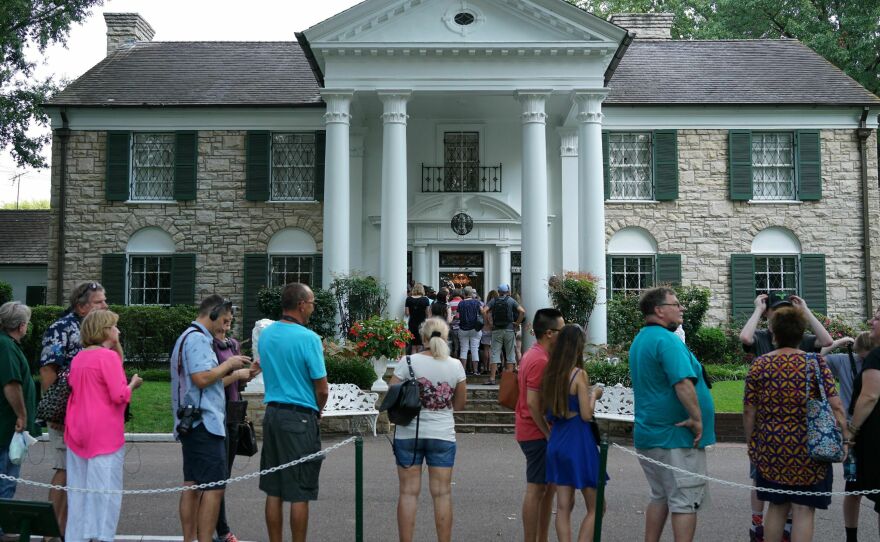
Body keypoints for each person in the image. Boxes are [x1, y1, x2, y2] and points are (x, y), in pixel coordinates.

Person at [743, 305, 848, 542]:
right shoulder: (815, 363)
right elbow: (836, 405)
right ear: (802, 334)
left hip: (772, 447)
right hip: (808, 448)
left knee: (777, 505)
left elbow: (749, 410)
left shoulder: (760, 365)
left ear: (774, 334)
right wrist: (846, 437)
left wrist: (752, 443)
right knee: (803, 508)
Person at [629, 287, 716, 542]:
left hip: (651, 433)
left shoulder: (642, 339)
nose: (681, 308)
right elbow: (682, 383)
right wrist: (697, 420)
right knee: (685, 501)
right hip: (675, 436)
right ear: (659, 310)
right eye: (675, 304)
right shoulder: (667, 341)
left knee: (661, 496)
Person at [171, 296, 252, 542]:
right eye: (225, 321)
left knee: (193, 485)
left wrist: (234, 371)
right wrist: (230, 365)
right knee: (214, 488)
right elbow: (202, 378)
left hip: (194, 422)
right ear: (213, 313)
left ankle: (190, 540)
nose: (226, 327)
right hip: (204, 423)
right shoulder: (197, 339)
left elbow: (205, 381)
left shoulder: (188, 336)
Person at [64, 310, 142, 542]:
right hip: (103, 432)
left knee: (77, 491)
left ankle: (76, 536)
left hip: (77, 429)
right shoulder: (107, 358)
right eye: (115, 327)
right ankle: (100, 535)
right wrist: (133, 385)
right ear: (106, 330)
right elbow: (119, 395)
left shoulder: (79, 357)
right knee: (105, 491)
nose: (118, 330)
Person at [258, 283, 328, 542]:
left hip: (273, 414)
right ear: (301, 304)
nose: (313, 307)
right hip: (300, 416)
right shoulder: (309, 338)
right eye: (311, 302)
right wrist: (317, 411)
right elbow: (322, 389)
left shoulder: (266, 334)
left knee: (273, 489)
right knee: (300, 490)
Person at [38, 280, 108, 537]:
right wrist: (56, 414)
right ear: (81, 307)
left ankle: (71, 531)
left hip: (88, 416)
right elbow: (47, 370)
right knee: (65, 470)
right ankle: (51, 532)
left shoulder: (97, 330)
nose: (105, 305)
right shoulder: (60, 329)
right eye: (99, 301)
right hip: (65, 416)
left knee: (80, 474)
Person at [390, 317, 466, 542]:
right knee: (442, 493)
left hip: (409, 432)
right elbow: (460, 405)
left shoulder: (408, 361)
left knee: (408, 492)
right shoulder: (455, 365)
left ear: (423, 337)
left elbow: (393, 391)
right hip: (442, 433)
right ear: (446, 337)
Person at [542, 324, 605, 542]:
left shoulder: (551, 374)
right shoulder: (579, 375)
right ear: (578, 347)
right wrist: (594, 394)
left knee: (563, 507)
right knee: (597, 507)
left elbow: (545, 412)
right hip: (578, 441)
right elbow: (587, 415)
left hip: (557, 439)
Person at [516, 308, 564, 542]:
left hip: (533, 430)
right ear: (548, 333)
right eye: (561, 331)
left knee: (547, 489)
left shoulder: (532, 354)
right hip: (535, 432)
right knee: (537, 489)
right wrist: (548, 433)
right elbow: (533, 403)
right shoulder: (539, 359)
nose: (563, 335)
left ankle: (541, 538)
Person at [213, 314, 260, 542]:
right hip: (215, 414)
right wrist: (235, 375)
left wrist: (250, 373)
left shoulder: (233, 344)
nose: (229, 320)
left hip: (233, 413)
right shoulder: (207, 345)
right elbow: (208, 382)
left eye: (231, 317)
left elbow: (239, 381)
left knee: (225, 476)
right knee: (217, 476)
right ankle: (222, 530)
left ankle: (218, 528)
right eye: (225, 317)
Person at [822, 332, 872, 541]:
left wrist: (838, 343)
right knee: (856, 486)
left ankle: (851, 535)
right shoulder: (850, 361)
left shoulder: (844, 360)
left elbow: (817, 355)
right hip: (860, 428)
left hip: (851, 429)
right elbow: (815, 356)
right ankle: (851, 535)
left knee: (853, 486)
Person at [0, 302, 40, 520]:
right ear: (21, 325)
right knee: (6, 478)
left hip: (6, 424)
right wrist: (22, 415)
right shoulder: (6, 346)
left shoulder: (6, 344)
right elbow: (11, 384)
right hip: (6, 426)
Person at [847, 310, 880, 540]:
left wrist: (851, 431)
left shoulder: (876, 357)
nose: (871, 321)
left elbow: (869, 396)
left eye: (877, 318)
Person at [482, 284, 525, 386]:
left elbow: (484, 310)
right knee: (510, 354)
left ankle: (492, 378)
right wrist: (517, 323)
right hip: (509, 330)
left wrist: (488, 323)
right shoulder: (511, 300)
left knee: (495, 353)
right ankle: (508, 381)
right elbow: (522, 311)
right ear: (508, 291)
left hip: (496, 330)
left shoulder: (494, 300)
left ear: (498, 291)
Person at [456, 286, 483, 374]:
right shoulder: (477, 302)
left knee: (464, 349)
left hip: (463, 328)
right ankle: (475, 371)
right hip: (475, 328)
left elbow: (457, 316)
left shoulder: (461, 303)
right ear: (472, 293)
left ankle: (463, 371)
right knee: (475, 349)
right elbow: (483, 312)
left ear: (464, 293)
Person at [405, 283, 431, 354]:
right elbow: (428, 314)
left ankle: (413, 363)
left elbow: (407, 313)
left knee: (413, 345)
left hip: (412, 323)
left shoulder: (408, 299)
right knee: (420, 346)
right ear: (422, 289)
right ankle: (419, 363)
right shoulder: (425, 300)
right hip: (422, 324)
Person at [479, 290, 498, 375]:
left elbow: (484, 319)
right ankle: (493, 368)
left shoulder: (486, 307)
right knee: (494, 350)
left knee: (486, 349)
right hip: (494, 329)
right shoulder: (497, 307)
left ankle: (485, 367)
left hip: (485, 329)